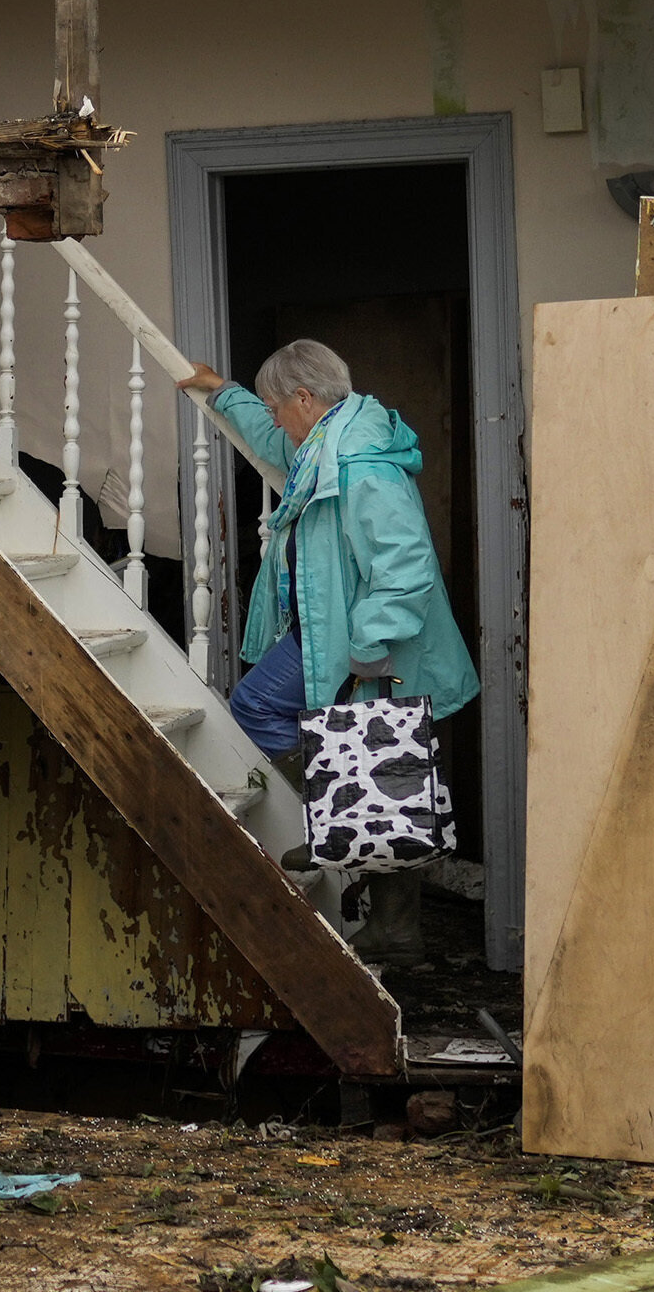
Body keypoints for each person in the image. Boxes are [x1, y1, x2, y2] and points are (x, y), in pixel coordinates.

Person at [175, 340, 478, 967]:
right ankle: (398, 932)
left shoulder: (361, 466)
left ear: (305, 400)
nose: (276, 419)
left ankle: (323, 823)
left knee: (258, 707)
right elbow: (272, 436)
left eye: (278, 406)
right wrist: (221, 391)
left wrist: (367, 647)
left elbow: (405, 565)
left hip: (369, 646)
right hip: (352, 638)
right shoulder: (327, 444)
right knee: (389, 779)